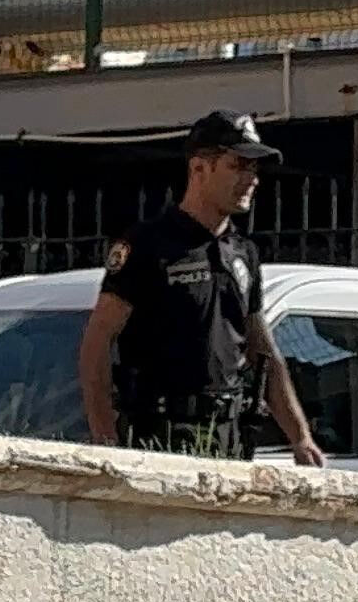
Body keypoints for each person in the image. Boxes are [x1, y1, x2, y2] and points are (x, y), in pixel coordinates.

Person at [80, 110, 328, 464]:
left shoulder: (243, 253)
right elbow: (97, 341)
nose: (251, 179)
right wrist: (105, 437)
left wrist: (300, 438)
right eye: (238, 165)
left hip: (227, 437)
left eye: (254, 169)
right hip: (159, 436)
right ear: (199, 168)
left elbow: (263, 351)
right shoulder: (148, 245)